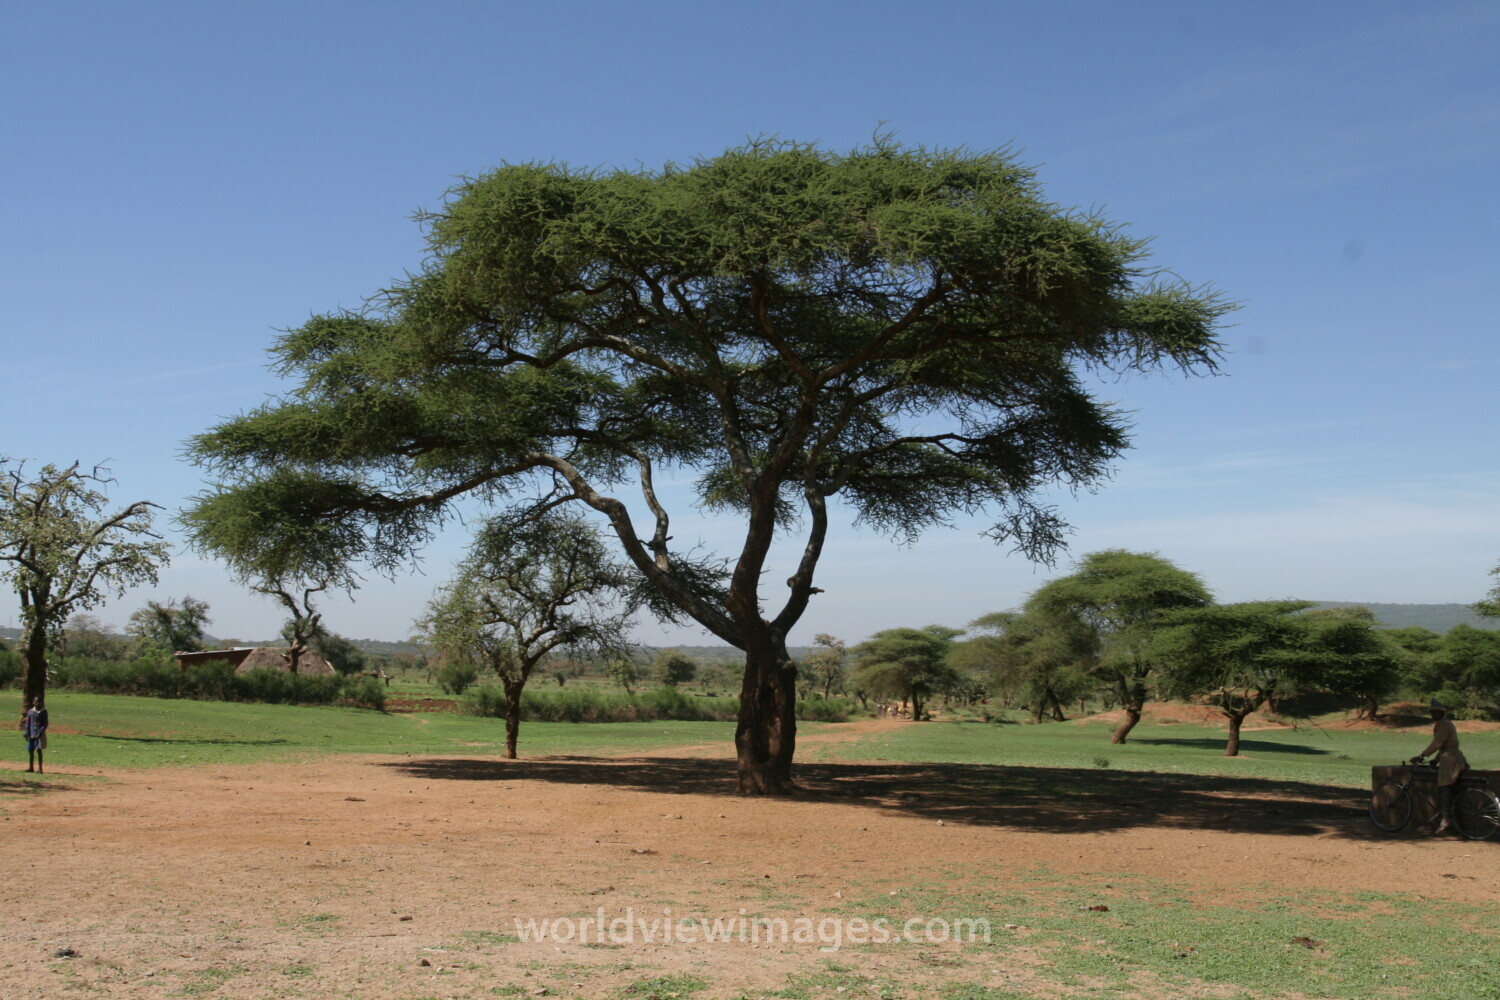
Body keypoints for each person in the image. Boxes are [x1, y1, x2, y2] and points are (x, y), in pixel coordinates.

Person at [1415, 698, 1466, 833]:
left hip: (1451, 760)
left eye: (1436, 712)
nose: (1434, 715)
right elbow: (1444, 745)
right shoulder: (1446, 723)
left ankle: (1445, 818)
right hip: (1451, 756)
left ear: (1442, 713)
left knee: (1445, 788)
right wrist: (1436, 759)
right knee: (1449, 788)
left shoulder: (1443, 724)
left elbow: (1437, 744)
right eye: (1432, 712)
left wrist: (1422, 755)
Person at [20, 697, 47, 774]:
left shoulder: (43, 712)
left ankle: (40, 768)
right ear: (33, 702)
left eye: (39, 702)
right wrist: (26, 732)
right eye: (36, 701)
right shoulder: (30, 711)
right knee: (30, 750)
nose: (38, 703)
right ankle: (31, 767)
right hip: (32, 733)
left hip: (39, 734)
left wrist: (41, 731)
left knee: (39, 750)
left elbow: (45, 723)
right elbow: (28, 722)